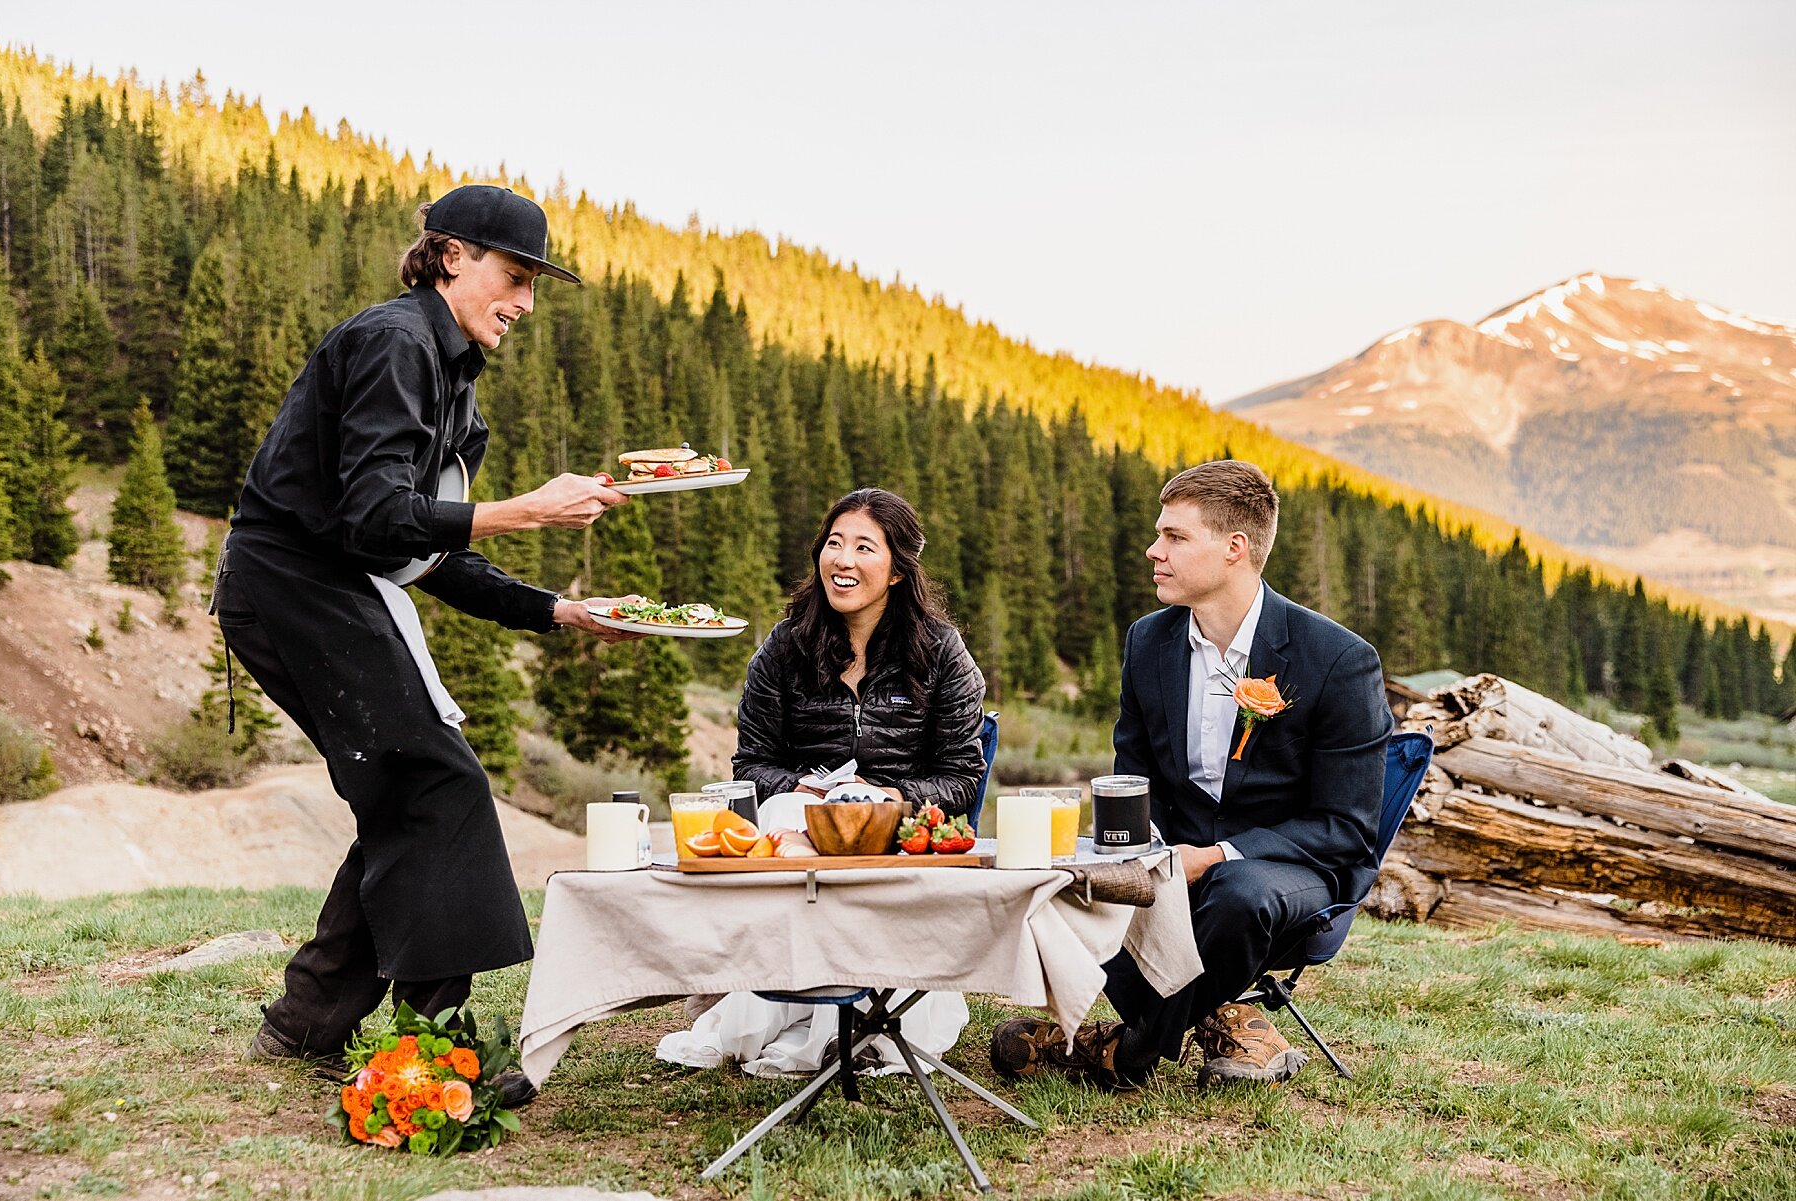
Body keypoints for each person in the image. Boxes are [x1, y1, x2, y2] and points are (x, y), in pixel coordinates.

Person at [218, 185, 638, 1103]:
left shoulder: (455, 382)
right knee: (433, 780)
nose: (525, 301)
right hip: (288, 583)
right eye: (515, 275)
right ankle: (439, 1055)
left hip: (327, 585)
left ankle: (305, 1023)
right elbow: (375, 519)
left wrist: (558, 612)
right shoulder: (396, 343)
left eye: (534, 284)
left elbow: (423, 548)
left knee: (404, 788)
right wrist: (529, 511)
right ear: (452, 256)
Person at [990, 460, 1393, 1089]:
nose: (1154, 551)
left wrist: (1218, 854)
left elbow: (1346, 827)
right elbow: (1134, 776)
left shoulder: (1339, 660)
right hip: (1172, 854)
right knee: (1068, 877)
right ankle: (1225, 1020)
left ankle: (1125, 1050)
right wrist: (1127, 853)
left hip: (1288, 867)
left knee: (1237, 894)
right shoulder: (1148, 642)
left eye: (1175, 537)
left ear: (1235, 549)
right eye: (1159, 535)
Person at [655, 488, 987, 1076]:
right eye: (834, 543)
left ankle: (863, 1011)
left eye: (864, 547)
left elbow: (962, 776)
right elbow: (750, 766)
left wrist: (897, 799)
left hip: (898, 839)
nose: (843, 560)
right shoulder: (784, 649)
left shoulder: (942, 652)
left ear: (898, 571)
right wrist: (803, 790)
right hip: (804, 831)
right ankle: (790, 997)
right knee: (782, 819)